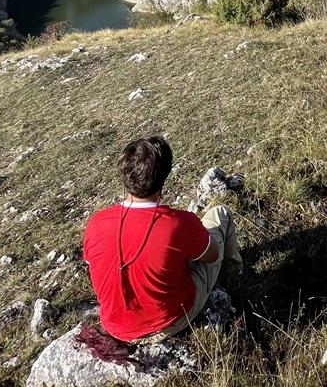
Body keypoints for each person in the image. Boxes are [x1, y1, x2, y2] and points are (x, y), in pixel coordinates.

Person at [83, 136, 241, 342]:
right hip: (169, 321)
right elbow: (212, 255)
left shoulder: (96, 223)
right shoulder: (179, 223)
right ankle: (235, 279)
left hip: (115, 327)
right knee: (220, 214)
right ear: (164, 175)